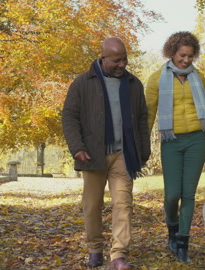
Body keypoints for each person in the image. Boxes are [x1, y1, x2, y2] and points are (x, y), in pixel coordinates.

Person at [145, 31, 205, 263]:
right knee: (172, 194)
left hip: (197, 140)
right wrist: (141, 144)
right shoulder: (156, 79)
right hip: (171, 141)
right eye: (182, 55)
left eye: (190, 57)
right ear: (172, 52)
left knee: (188, 194)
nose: (186, 60)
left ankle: (183, 242)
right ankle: (172, 229)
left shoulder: (199, 78)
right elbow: (148, 115)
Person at [62, 37, 151, 270]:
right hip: (93, 154)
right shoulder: (83, 82)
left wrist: (144, 149)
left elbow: (142, 117)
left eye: (125, 59)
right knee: (92, 205)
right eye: (117, 60)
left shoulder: (134, 84)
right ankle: (94, 249)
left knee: (123, 204)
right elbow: (69, 117)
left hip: (125, 153)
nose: (122, 64)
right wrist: (77, 147)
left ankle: (118, 255)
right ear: (103, 58)